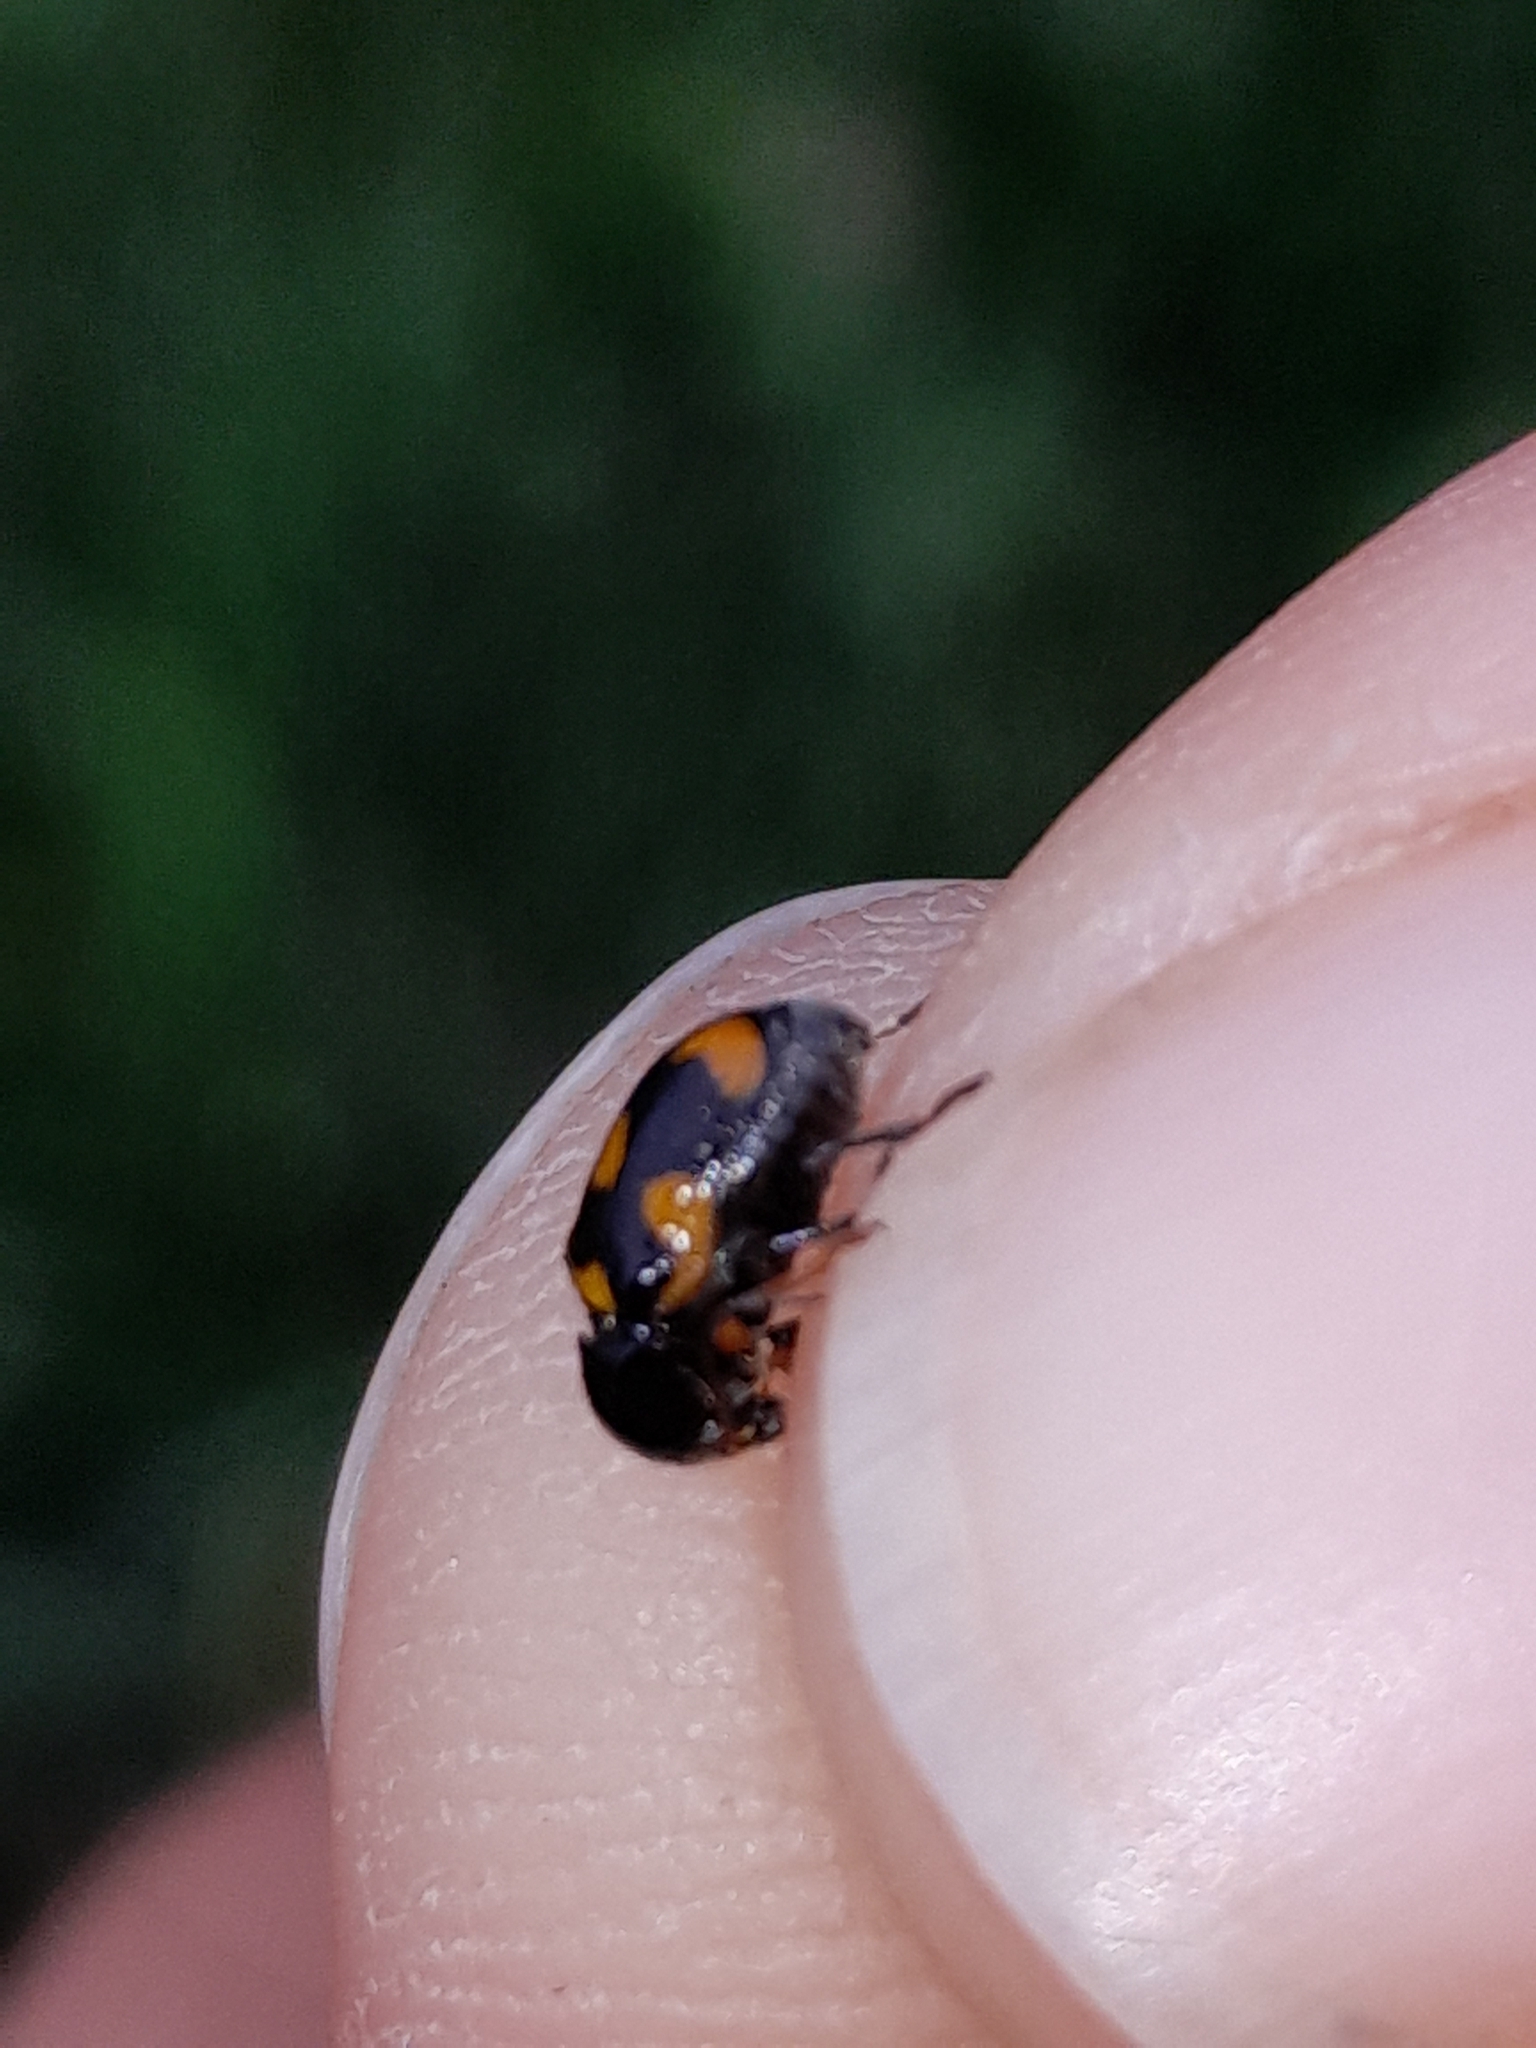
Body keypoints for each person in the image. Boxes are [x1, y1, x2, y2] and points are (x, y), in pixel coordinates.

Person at [10, 432, 1536, 2047]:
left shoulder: (661, 1278)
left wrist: (877, 1167)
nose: (757, 1403)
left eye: (730, 1402)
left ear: (686, 1370)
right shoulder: (635, 1285)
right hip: (781, 1071)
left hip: (794, 1069)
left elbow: (777, 1179)